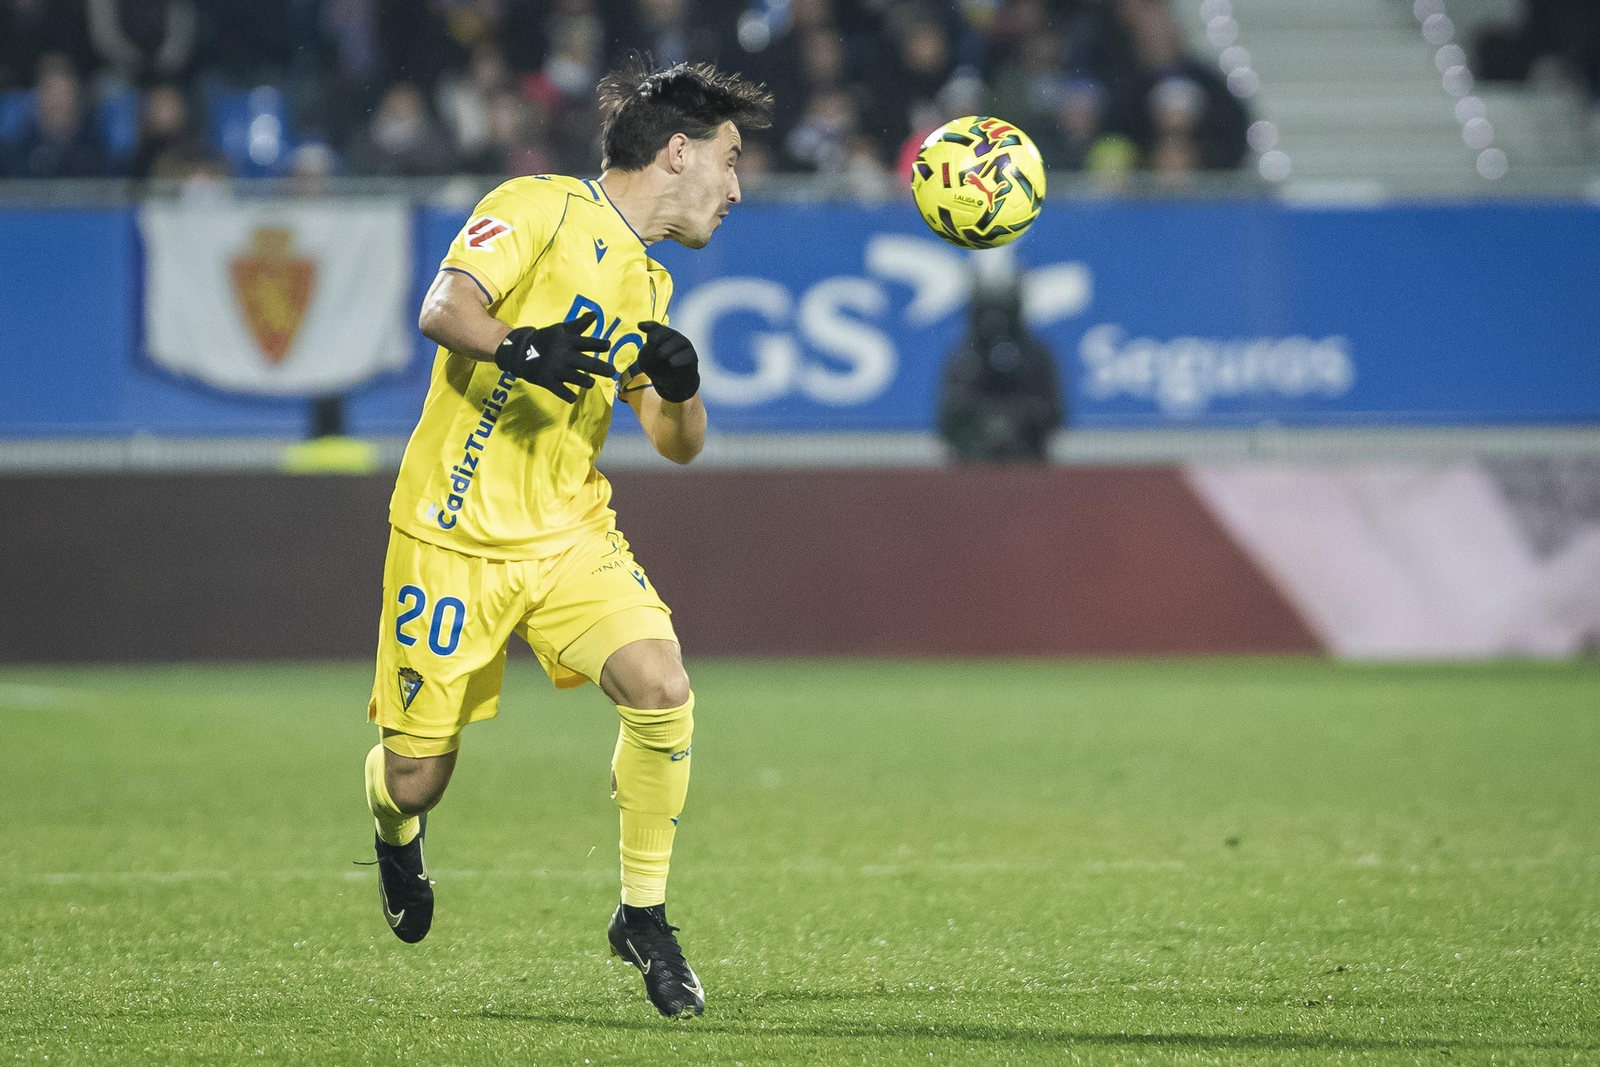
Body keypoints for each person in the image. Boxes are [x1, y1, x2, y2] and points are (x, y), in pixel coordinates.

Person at [361, 57, 773, 1020]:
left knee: (662, 685)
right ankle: (391, 828)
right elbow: (442, 309)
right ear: (678, 152)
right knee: (417, 777)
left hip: (570, 534)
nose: (739, 186)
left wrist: (677, 382)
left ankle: (644, 913)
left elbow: (678, 445)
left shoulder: (648, 281)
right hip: (450, 535)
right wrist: (517, 344)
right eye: (731, 158)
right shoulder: (536, 205)